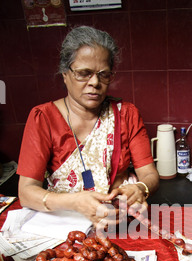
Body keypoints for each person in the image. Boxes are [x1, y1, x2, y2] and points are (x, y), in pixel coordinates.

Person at [17, 26, 159, 226]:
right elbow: (26, 192)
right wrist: (75, 202)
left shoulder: (126, 114)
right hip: (64, 223)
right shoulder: (44, 118)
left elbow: (150, 174)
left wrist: (140, 188)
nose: (95, 82)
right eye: (84, 73)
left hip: (121, 219)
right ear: (65, 74)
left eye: (104, 74)